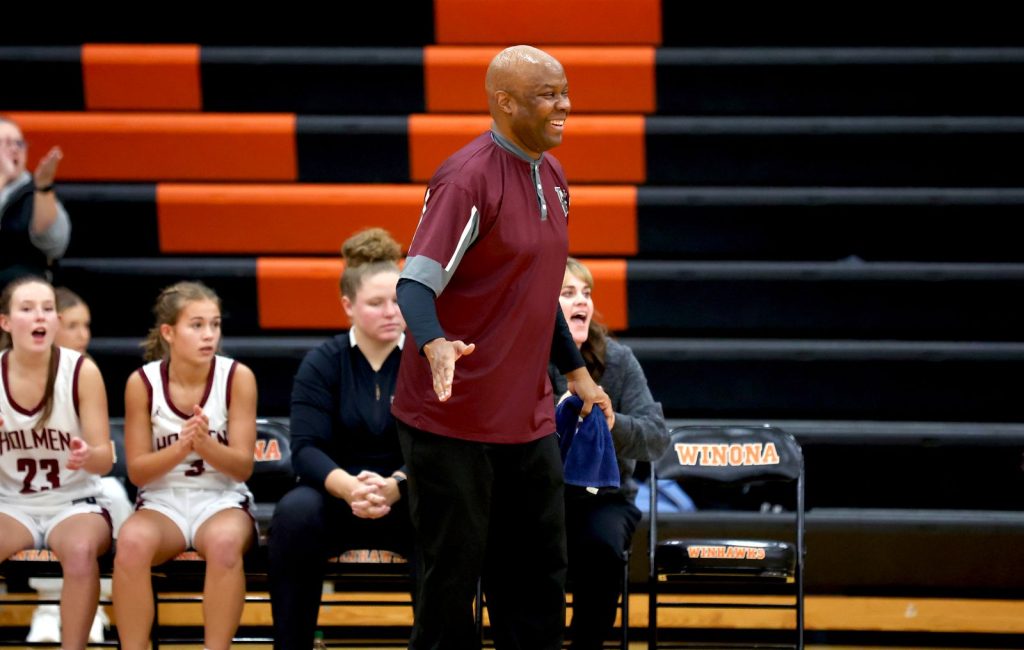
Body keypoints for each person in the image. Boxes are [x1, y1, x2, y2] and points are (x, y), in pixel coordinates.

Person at [391, 45, 613, 650]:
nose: (564, 105)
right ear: (504, 101)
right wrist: (433, 343)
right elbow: (413, 285)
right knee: (451, 583)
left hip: (526, 417)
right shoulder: (465, 179)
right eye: (548, 95)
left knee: (538, 578)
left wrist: (576, 373)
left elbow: (536, 297)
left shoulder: (556, 176)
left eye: (565, 92)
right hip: (451, 418)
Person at [268, 227, 413, 650]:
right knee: (294, 514)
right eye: (376, 303)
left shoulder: (425, 360)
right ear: (347, 305)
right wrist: (350, 488)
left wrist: (396, 486)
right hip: (337, 495)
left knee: (445, 511)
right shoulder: (322, 362)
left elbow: (439, 447)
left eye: (398, 300)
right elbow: (306, 449)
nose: (391, 311)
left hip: (405, 494)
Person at [112, 281, 258, 650]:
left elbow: (242, 468)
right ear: (169, 332)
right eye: (197, 325)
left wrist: (205, 445)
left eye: (215, 324)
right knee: (129, 543)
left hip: (221, 498)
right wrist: (182, 447)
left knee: (225, 545)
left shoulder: (237, 377)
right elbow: (138, 472)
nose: (209, 334)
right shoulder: (141, 383)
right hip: (163, 502)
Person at [549, 258, 671, 650]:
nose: (581, 301)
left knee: (601, 546)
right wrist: (557, 413)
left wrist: (609, 420)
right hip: (538, 494)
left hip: (605, 497)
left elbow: (656, 438)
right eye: (568, 294)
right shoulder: (524, 355)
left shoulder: (618, 360)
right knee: (523, 546)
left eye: (586, 293)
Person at [0, 276, 114, 650]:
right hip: (12, 505)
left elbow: (105, 461)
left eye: (48, 309)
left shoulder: (82, 371)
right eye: (28, 308)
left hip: (72, 503)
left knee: (81, 552)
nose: (40, 317)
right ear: (5, 321)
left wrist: (88, 454)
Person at [25, 286, 134, 643]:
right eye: (72, 325)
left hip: (75, 484)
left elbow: (105, 452)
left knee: (114, 495)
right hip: (23, 484)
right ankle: (46, 604)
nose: (83, 334)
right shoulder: (12, 368)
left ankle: (95, 604)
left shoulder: (87, 372)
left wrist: (89, 453)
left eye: (85, 325)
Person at [0, 116, 70, 291]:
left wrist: (44, 187)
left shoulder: (36, 188)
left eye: (19, 143)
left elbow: (55, 245)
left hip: (23, 287)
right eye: (6, 143)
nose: (15, 149)